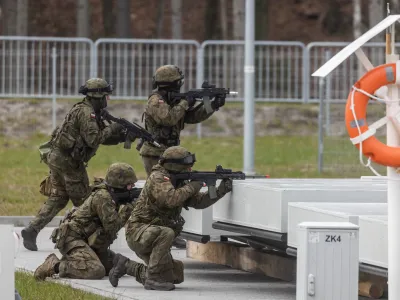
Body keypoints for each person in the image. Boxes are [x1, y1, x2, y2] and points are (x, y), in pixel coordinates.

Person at [22, 78, 127, 251]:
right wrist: (113, 128)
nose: (107, 101)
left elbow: (94, 137)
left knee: (59, 198)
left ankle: (32, 230)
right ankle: (82, 238)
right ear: (97, 97)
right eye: (106, 97)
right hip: (69, 162)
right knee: (86, 202)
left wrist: (121, 137)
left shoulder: (84, 109)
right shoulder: (87, 113)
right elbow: (94, 139)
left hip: (58, 158)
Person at [109, 146, 233, 291]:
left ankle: (126, 265)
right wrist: (194, 185)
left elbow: (199, 202)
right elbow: (171, 199)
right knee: (167, 233)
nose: (189, 170)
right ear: (174, 166)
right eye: (186, 167)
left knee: (175, 276)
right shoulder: (157, 178)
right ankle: (153, 280)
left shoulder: (178, 182)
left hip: (155, 235)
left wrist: (221, 190)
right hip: (138, 232)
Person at [139, 64, 226, 248]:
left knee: (176, 191)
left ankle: (168, 231)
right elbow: (169, 118)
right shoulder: (156, 101)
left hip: (171, 155)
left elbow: (191, 117)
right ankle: (156, 231)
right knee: (163, 195)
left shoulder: (174, 102)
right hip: (155, 154)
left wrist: (211, 105)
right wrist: (186, 100)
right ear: (173, 83)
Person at [34, 163, 147, 282]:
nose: (132, 187)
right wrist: (130, 207)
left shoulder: (111, 195)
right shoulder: (103, 197)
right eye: (130, 185)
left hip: (88, 241)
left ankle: (78, 260)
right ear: (119, 184)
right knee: (96, 270)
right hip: (72, 238)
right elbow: (113, 227)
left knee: (113, 265)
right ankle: (55, 265)